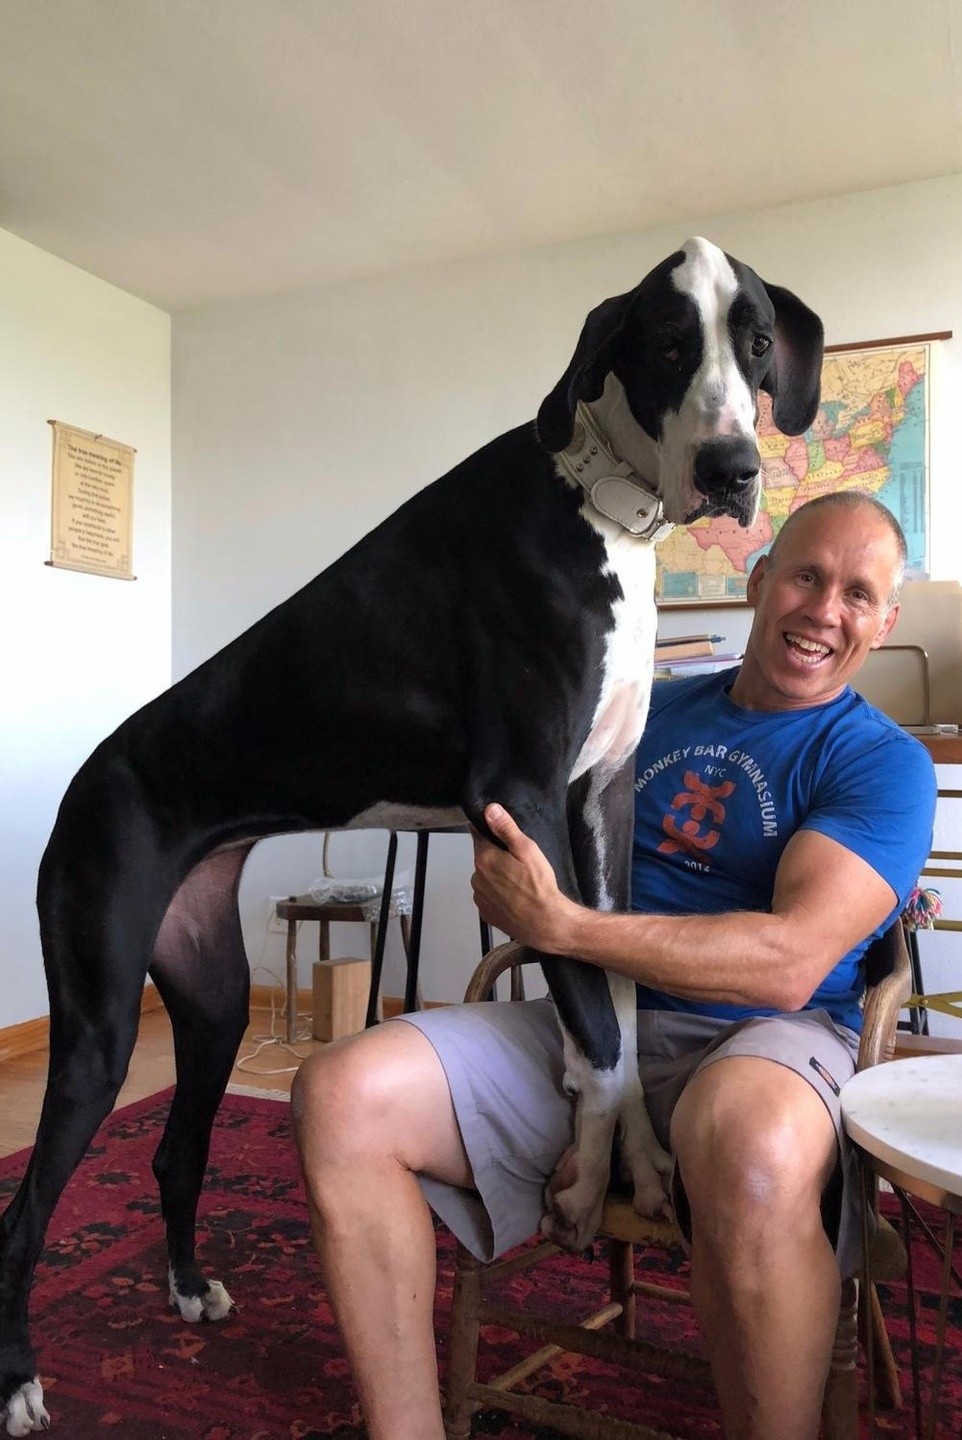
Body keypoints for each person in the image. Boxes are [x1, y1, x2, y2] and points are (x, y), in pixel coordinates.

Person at [291, 491, 936, 1440]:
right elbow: (518, 825)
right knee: (341, 1093)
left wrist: (561, 926)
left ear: (883, 623)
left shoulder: (881, 761)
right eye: (805, 576)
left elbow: (788, 963)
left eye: (857, 595)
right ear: (759, 581)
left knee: (751, 1146)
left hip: (770, 1037)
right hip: (596, 1019)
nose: (823, 611)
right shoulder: (641, 709)